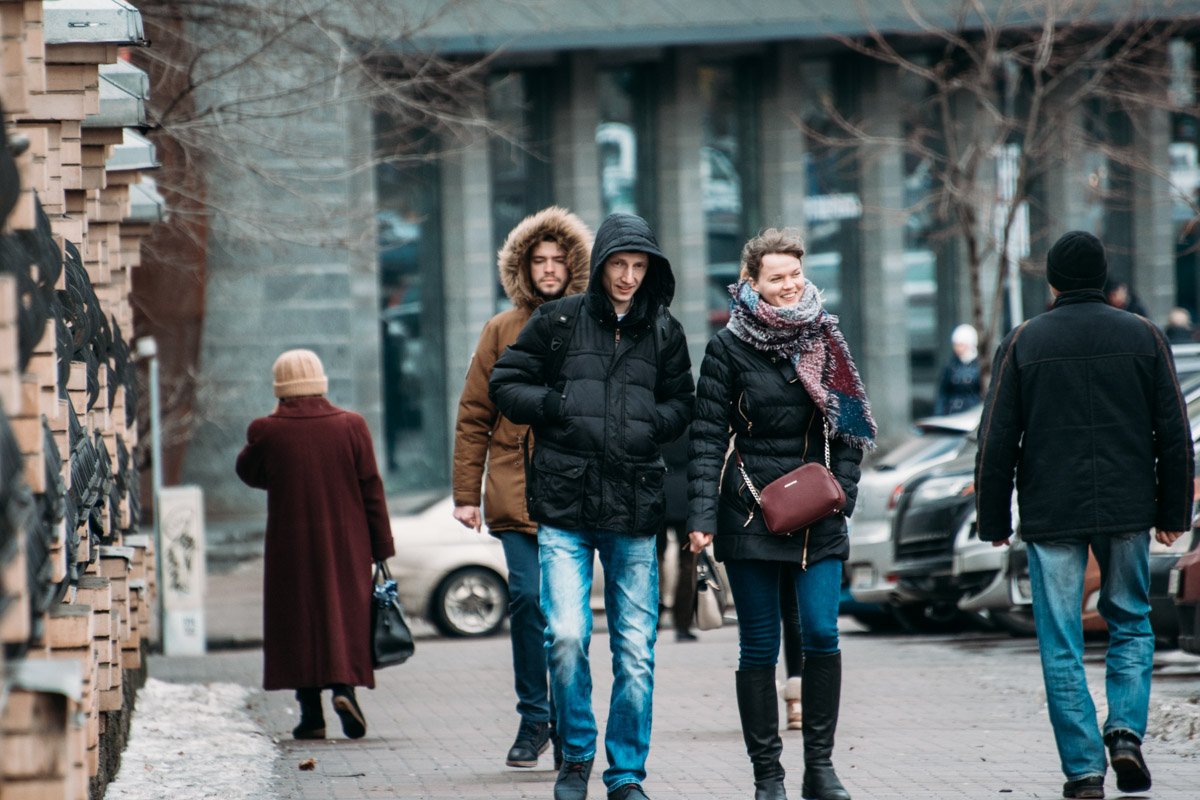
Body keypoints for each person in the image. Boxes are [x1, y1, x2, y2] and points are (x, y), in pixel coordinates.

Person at [975, 231, 1194, 800]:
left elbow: (996, 439)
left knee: (1061, 638)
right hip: (1127, 506)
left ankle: (1083, 771)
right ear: (1104, 279)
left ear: (1051, 282)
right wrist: (1175, 511)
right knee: (1131, 620)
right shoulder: (1144, 335)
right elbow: (1173, 432)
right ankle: (1124, 731)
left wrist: (993, 519)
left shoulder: (1024, 341)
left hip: (1052, 510)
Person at [489, 212, 695, 800]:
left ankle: (626, 773)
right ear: (601, 263)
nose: (628, 277)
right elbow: (505, 384)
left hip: (634, 507)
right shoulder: (557, 321)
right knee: (568, 636)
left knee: (635, 651)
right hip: (563, 504)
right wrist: (555, 406)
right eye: (619, 265)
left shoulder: (664, 331)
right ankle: (575, 756)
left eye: (638, 267)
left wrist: (650, 424)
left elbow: (684, 399)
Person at [687, 228, 874, 800]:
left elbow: (848, 427)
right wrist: (701, 516)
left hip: (818, 515)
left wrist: (841, 492)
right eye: (777, 278)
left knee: (821, 633)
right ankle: (768, 777)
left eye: (795, 273)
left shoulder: (827, 336)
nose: (790, 285)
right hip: (748, 515)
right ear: (753, 284)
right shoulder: (728, 346)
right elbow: (706, 435)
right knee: (759, 648)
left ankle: (820, 769)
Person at [452, 206, 592, 768]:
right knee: (528, 599)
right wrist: (466, 493)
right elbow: (473, 414)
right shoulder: (501, 329)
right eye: (539, 261)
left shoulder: (593, 323)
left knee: (568, 620)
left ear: (575, 266)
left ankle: (569, 723)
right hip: (514, 486)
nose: (550, 269)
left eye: (560, 260)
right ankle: (535, 717)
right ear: (523, 268)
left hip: (577, 490)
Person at [235, 349, 395, 741]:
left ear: (281, 386)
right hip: (348, 543)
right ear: (321, 380)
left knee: (298, 621)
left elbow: (248, 472)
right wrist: (381, 548)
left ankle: (311, 716)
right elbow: (371, 487)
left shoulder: (267, 430)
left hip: (291, 546)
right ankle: (344, 689)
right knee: (343, 616)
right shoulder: (351, 425)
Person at [933, 323, 982, 416]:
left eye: (960, 345)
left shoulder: (979, 366)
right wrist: (939, 414)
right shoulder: (951, 366)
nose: (957, 348)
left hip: (973, 411)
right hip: (954, 412)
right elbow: (943, 393)